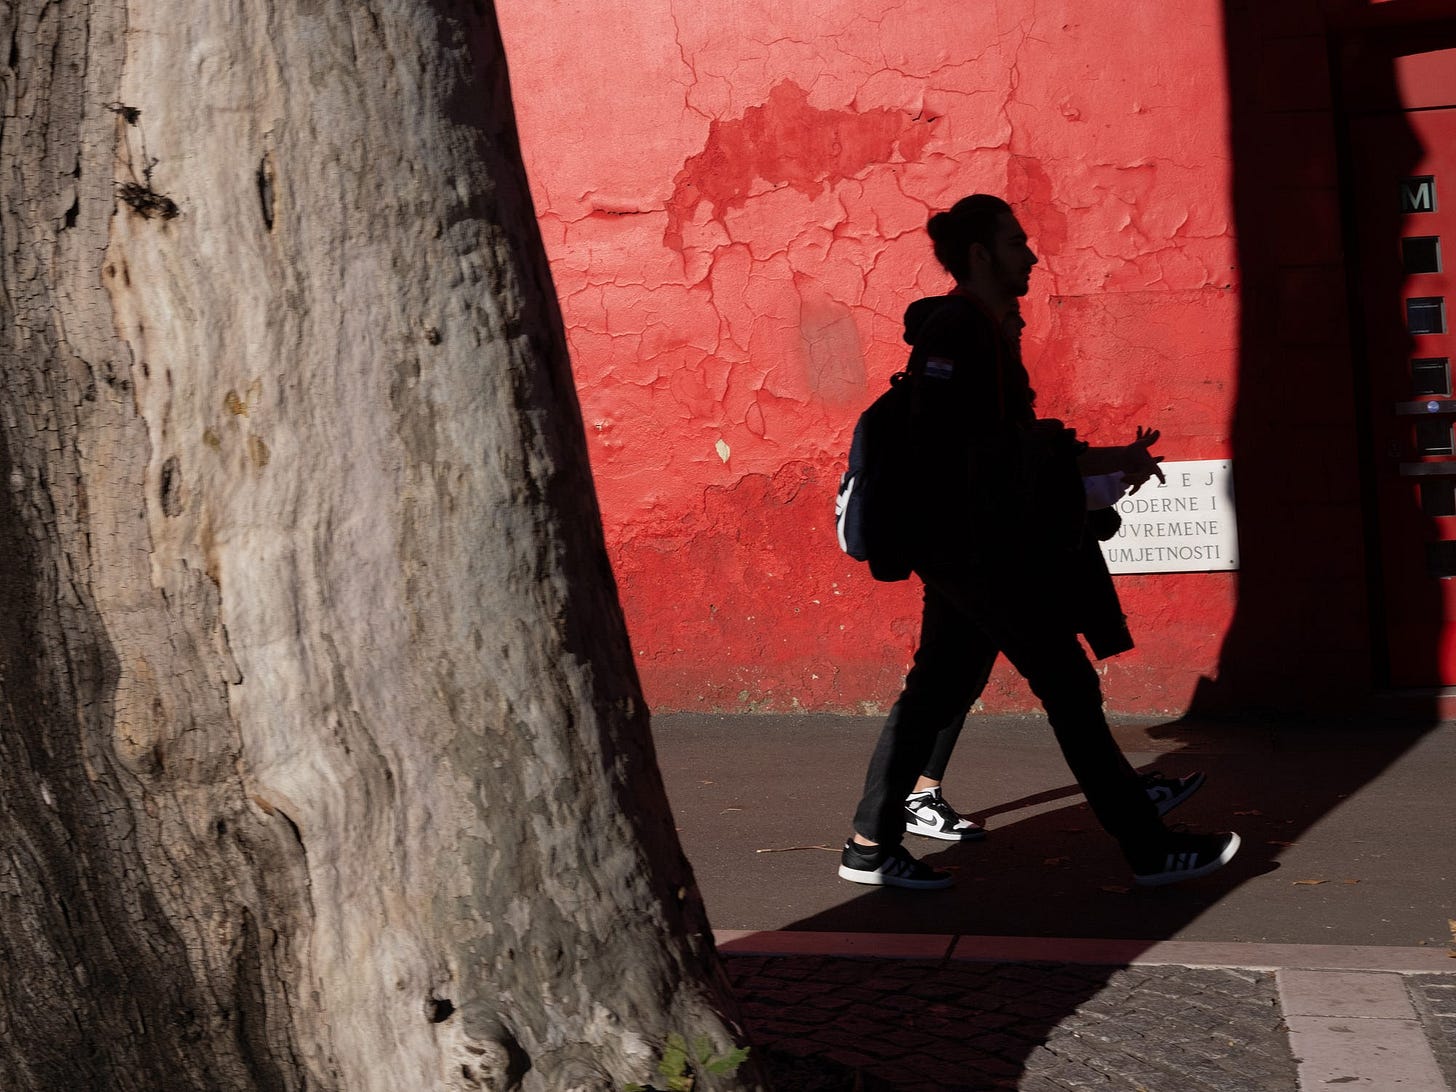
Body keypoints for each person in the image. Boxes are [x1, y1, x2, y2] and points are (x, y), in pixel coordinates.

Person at [838, 194, 1240, 888]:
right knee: (1067, 686)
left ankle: (869, 846)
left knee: (935, 692)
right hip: (979, 553)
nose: (1032, 254)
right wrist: (1068, 477)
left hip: (970, 550)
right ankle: (1147, 848)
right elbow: (961, 453)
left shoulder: (986, 332)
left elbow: (1008, 447)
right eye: (1017, 243)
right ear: (980, 256)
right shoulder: (960, 332)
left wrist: (1103, 462)